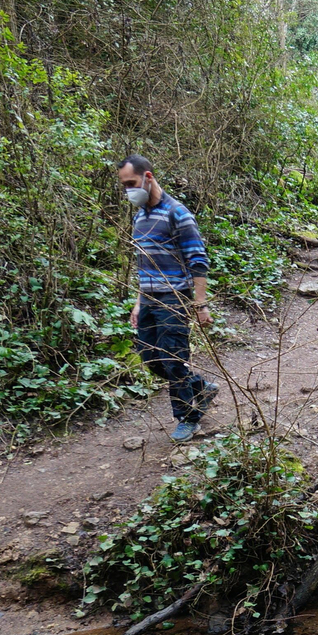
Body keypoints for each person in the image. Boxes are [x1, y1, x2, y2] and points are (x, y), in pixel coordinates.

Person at [116, 154, 218, 442]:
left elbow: (198, 260)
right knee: (151, 359)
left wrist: (200, 304)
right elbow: (144, 264)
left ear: (148, 177)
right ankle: (201, 387)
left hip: (173, 298)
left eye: (132, 183)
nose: (128, 190)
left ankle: (188, 418)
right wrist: (139, 302)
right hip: (149, 298)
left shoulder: (178, 213)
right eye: (124, 185)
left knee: (174, 360)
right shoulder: (140, 217)